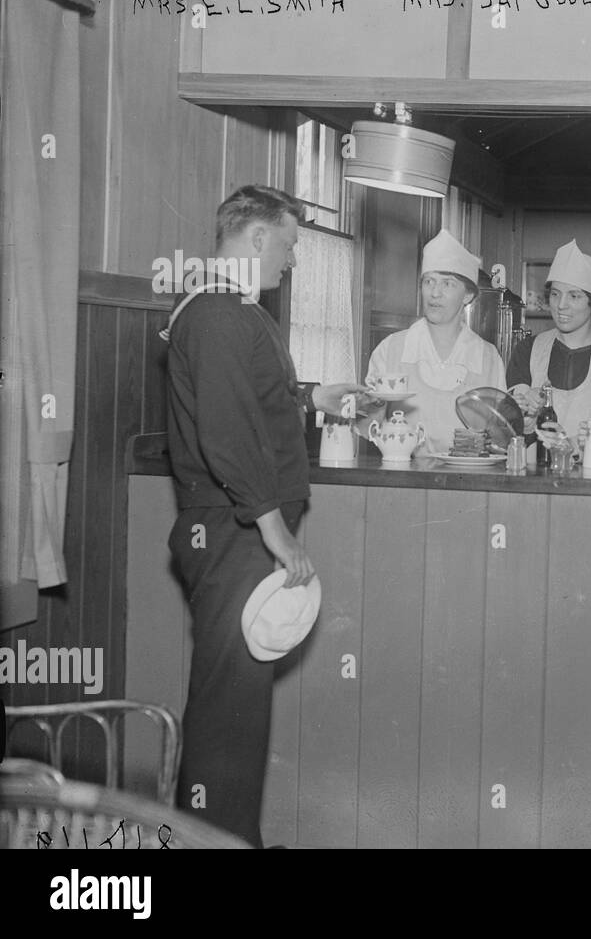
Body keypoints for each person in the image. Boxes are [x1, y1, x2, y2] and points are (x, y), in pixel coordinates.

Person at [165, 184, 373, 846]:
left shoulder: (230, 312)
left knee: (237, 709)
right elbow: (226, 433)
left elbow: (253, 399)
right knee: (229, 714)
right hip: (237, 534)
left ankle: (229, 838)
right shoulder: (222, 314)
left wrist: (314, 397)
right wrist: (275, 530)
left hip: (236, 529)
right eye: (288, 244)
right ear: (255, 237)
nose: (292, 260)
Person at [363, 231, 506, 453]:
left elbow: (499, 438)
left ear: (468, 295)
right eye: (429, 282)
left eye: (448, 284)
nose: (435, 293)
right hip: (404, 482)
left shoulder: (487, 358)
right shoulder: (391, 350)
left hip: (469, 482)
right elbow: (368, 427)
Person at [506, 240, 591, 448]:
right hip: (532, 474)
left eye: (574, 296)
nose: (561, 305)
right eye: (555, 294)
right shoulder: (528, 351)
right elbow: (510, 428)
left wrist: (571, 445)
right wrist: (523, 412)